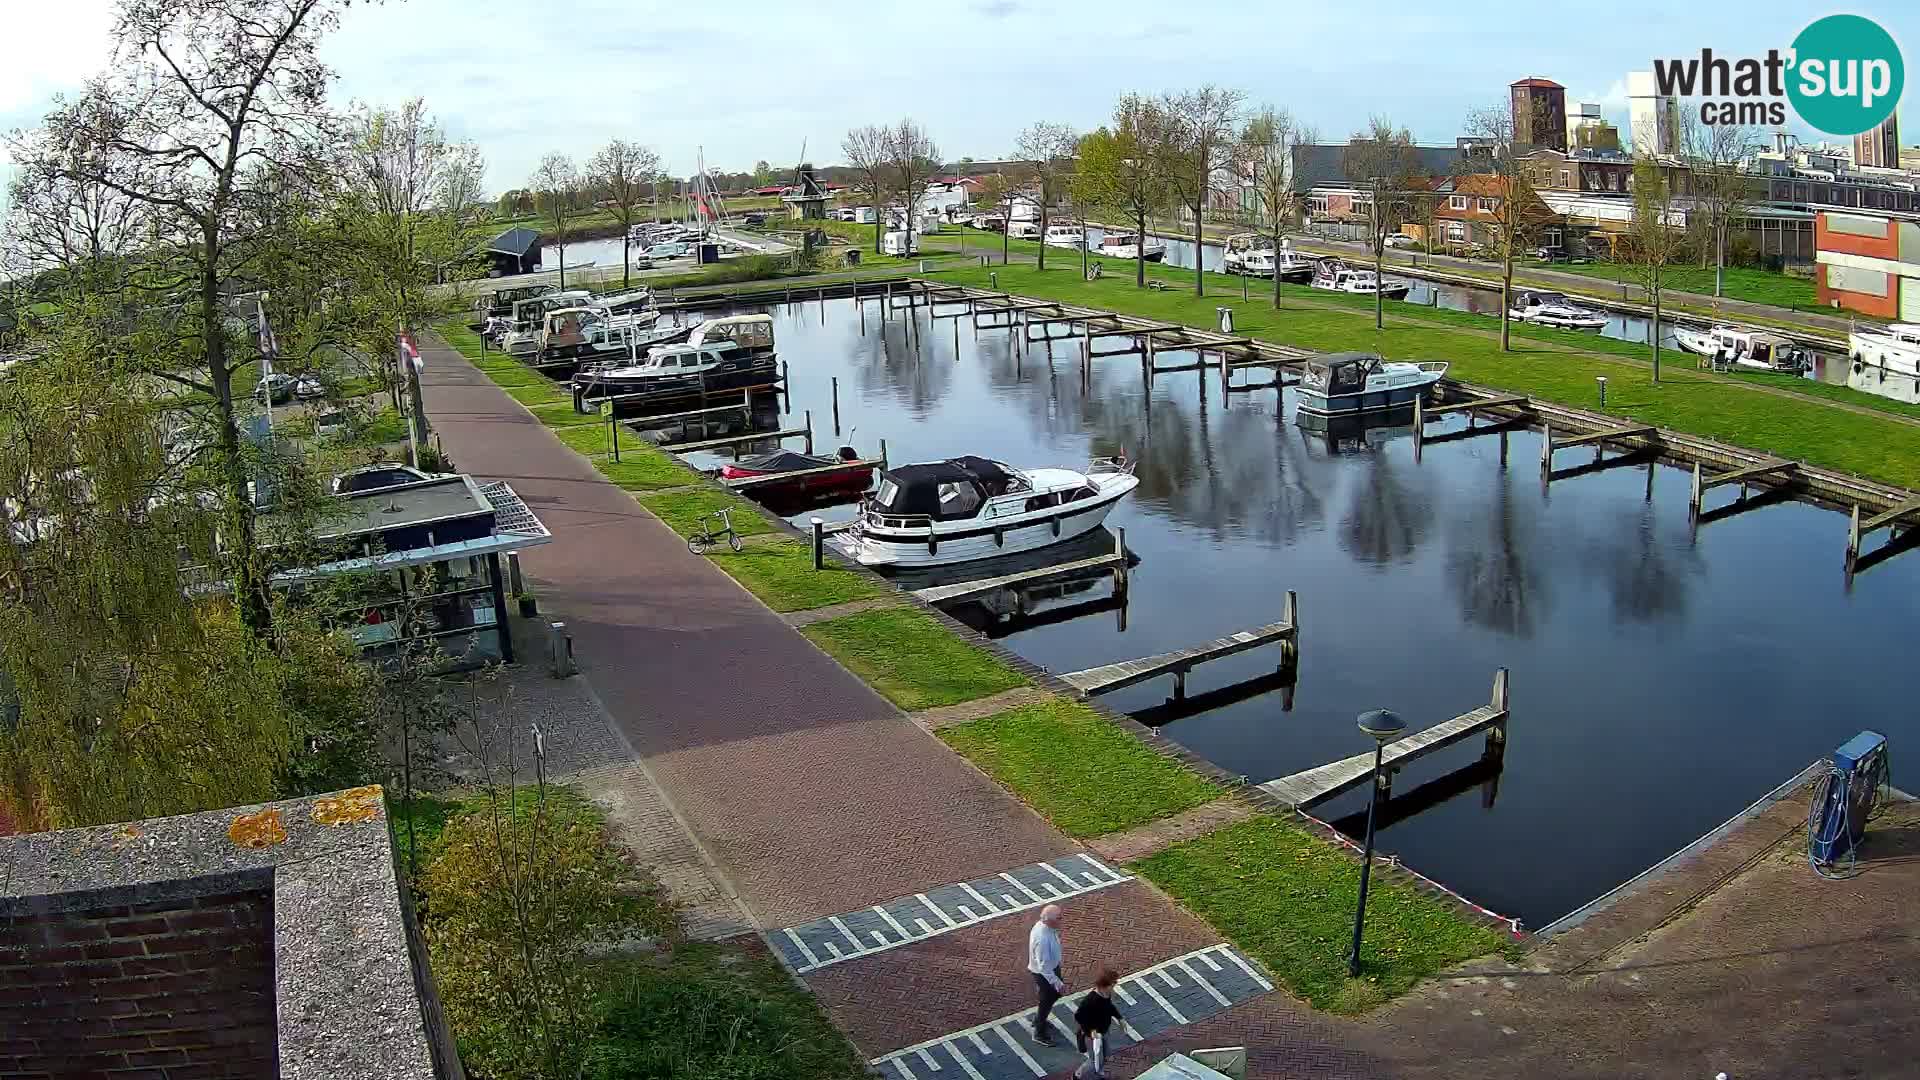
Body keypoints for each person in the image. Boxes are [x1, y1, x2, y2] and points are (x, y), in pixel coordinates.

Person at [1073, 968, 1124, 1080]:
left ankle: (1099, 1074)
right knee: (1094, 1061)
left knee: (1105, 1055)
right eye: (1113, 983)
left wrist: (1119, 1018)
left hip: (1104, 1031)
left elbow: (1109, 1007)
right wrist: (1091, 1030)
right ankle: (1078, 1075)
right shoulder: (1091, 1000)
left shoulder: (1106, 994)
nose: (1115, 984)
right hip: (1093, 1036)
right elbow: (1079, 1016)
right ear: (1104, 984)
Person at [1026, 904, 1065, 1044]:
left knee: (1051, 997)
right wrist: (1056, 982)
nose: (1061, 920)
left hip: (1051, 969)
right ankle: (1039, 1032)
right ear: (1049, 920)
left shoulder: (1046, 927)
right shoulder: (1042, 939)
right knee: (1047, 999)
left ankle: (1039, 1020)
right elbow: (1043, 966)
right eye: (1059, 918)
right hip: (1045, 974)